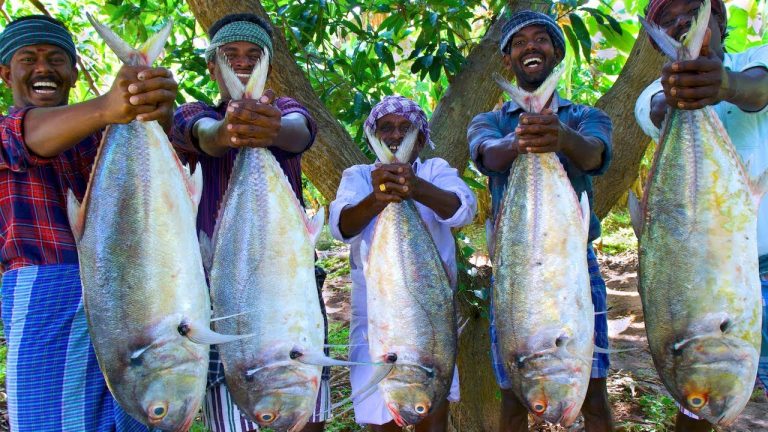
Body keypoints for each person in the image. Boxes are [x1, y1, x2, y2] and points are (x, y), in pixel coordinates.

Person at [0, 14, 177, 432]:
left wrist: (154, 108)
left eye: (57, 59)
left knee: (141, 414)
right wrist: (108, 106)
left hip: (131, 289)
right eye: (30, 59)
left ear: (75, 72)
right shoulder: (7, 129)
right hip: (48, 294)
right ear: (6, 74)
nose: (44, 68)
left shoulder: (104, 135)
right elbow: (30, 137)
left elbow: (155, 170)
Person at [170, 13, 330, 432]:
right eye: (229, 55)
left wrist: (271, 126)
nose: (241, 63)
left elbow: (300, 132)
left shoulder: (286, 111)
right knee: (239, 400)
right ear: (211, 66)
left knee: (306, 410)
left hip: (292, 287)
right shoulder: (195, 112)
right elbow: (200, 133)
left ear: (268, 67)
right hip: (224, 292)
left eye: (252, 56)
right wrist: (228, 131)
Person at [467, 10, 614, 432]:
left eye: (541, 39)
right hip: (516, 272)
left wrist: (561, 136)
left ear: (556, 53)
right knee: (516, 391)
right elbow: (486, 156)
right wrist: (520, 140)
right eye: (519, 43)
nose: (531, 47)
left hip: (575, 267)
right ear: (508, 60)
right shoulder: (490, 121)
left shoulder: (586, 116)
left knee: (594, 392)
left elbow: (595, 155)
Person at [634, 0, 768, 430]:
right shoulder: (655, 91)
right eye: (668, 20)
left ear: (721, 18)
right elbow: (656, 109)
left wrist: (725, 84)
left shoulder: (756, 61)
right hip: (708, 286)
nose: (681, 22)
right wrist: (678, 93)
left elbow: (758, 89)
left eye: (692, 10)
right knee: (697, 411)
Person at [328, 95, 477, 431]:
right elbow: (341, 227)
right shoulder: (358, 176)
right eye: (386, 128)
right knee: (379, 418)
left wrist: (417, 188)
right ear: (373, 135)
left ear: (421, 138)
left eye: (404, 128)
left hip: (431, 315)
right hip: (375, 316)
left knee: (431, 404)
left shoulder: (435, 171)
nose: (395, 136)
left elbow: (463, 210)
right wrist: (377, 197)